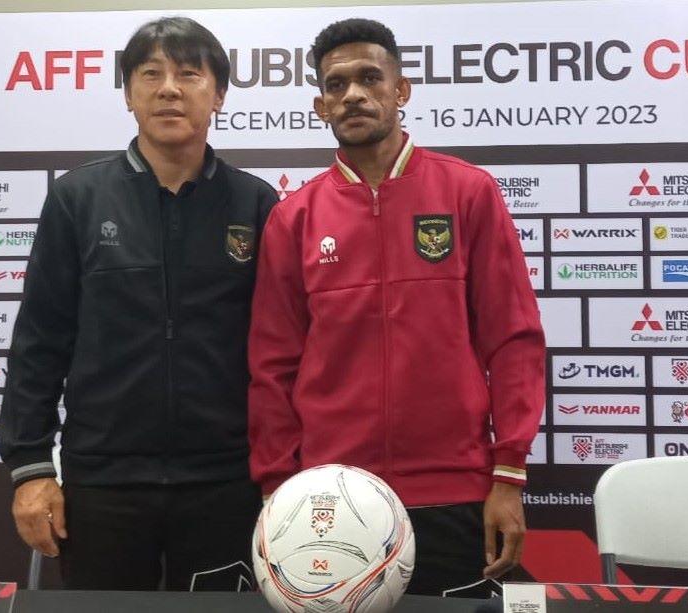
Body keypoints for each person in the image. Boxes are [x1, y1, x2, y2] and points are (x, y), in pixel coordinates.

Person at [247, 18, 545, 598]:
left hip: (455, 488)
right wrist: (279, 488)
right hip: (331, 496)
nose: (353, 94)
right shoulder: (295, 218)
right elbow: (271, 367)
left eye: (368, 78)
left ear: (400, 90)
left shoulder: (468, 192)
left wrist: (508, 474)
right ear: (320, 105)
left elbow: (514, 340)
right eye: (336, 85)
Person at [0, 16, 277, 591]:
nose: (169, 88)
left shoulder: (255, 203)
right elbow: (39, 342)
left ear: (219, 94)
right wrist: (29, 469)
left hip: (225, 480)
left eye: (189, 74)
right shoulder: (78, 197)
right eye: (151, 74)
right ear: (128, 94)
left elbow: (279, 349)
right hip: (103, 482)